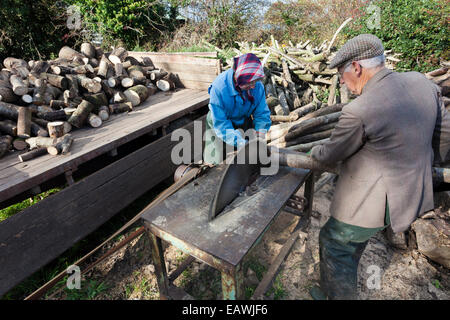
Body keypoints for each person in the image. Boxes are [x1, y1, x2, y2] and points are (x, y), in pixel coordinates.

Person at [308, 34, 450, 300]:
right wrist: (423, 165)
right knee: (354, 242)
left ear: (357, 68)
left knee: (335, 243)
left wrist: (314, 150)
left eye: (341, 73)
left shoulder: (360, 109)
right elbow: (445, 135)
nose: (341, 81)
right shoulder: (422, 83)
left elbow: (329, 155)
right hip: (411, 195)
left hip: (374, 202)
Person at [203, 53, 271, 164]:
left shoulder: (257, 87)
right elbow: (222, 124)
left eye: (255, 81)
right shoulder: (219, 89)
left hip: (243, 119)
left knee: (247, 159)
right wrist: (241, 143)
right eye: (250, 82)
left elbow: (262, 114)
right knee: (215, 161)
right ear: (238, 78)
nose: (253, 86)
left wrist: (259, 137)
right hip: (220, 123)